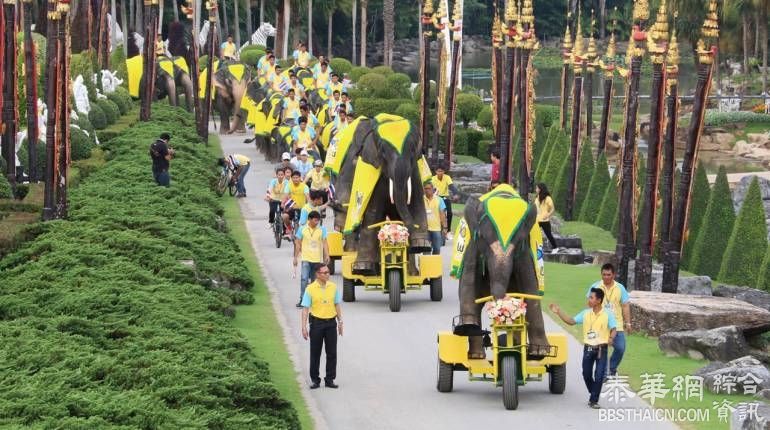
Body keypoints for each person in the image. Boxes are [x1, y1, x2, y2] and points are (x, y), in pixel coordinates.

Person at [550, 288, 617, 409]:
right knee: (586, 374)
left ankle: (593, 400)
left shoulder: (608, 314)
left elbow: (613, 328)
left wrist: (611, 338)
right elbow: (571, 321)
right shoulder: (585, 313)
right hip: (588, 349)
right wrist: (558, 312)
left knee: (599, 375)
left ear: (598, 300)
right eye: (589, 297)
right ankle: (594, 393)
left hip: (602, 349)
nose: (589, 299)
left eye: (591, 297)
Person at [300, 264, 342, 389]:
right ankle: (315, 380)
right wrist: (303, 327)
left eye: (328, 272)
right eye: (324, 273)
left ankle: (330, 379)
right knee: (315, 353)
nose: (327, 274)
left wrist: (340, 322)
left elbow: (337, 305)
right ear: (317, 274)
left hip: (331, 323)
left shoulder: (333, 287)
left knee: (332, 353)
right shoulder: (310, 289)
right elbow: (305, 309)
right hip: (317, 323)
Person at [586, 263, 631, 377]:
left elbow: (625, 305)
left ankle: (611, 368)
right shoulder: (595, 287)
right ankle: (604, 373)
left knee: (620, 348)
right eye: (604, 274)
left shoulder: (620, 288)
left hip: (617, 324)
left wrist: (628, 323)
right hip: (600, 324)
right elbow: (589, 304)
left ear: (614, 275)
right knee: (602, 349)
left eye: (608, 275)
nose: (606, 277)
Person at [294, 210, 330, 306]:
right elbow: (297, 243)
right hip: (306, 258)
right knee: (304, 279)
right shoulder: (302, 229)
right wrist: (295, 258)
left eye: (318, 220)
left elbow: (325, 243)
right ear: (309, 219)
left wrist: (327, 255)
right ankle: (302, 299)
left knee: (315, 281)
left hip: (317, 260)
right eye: (315, 220)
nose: (316, 222)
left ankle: (313, 300)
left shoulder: (322, 230)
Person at [431, 165, 459, 234]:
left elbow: (451, 186)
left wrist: (455, 194)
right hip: (436, 197)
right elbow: (432, 189)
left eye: (441, 171)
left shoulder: (447, 177)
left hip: (445, 197)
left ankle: (448, 230)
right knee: (433, 213)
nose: (440, 173)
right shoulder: (433, 179)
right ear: (435, 172)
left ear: (444, 171)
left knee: (449, 213)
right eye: (438, 171)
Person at [283, 170, 310, 235]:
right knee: (285, 216)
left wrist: (309, 205)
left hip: (302, 209)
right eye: (294, 178)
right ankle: (289, 228)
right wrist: (284, 203)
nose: (295, 179)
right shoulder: (288, 186)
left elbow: (307, 197)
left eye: (297, 177)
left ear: (300, 178)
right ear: (291, 178)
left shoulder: (304, 186)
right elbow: (286, 196)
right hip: (291, 208)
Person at [423, 183, 447, 255]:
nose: (427, 190)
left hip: (436, 228)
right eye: (425, 189)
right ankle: (427, 265)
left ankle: (434, 264)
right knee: (426, 249)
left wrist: (445, 227)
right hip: (424, 229)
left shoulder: (439, 200)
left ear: (433, 190)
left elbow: (442, 214)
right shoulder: (421, 199)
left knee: (437, 248)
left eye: (429, 188)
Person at [535, 183, 559, 253]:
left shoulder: (548, 198)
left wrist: (548, 215)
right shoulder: (537, 198)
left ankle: (555, 248)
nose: (536, 189)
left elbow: (553, 209)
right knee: (534, 234)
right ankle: (538, 249)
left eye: (537, 188)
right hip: (537, 220)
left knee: (548, 235)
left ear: (540, 189)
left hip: (545, 220)